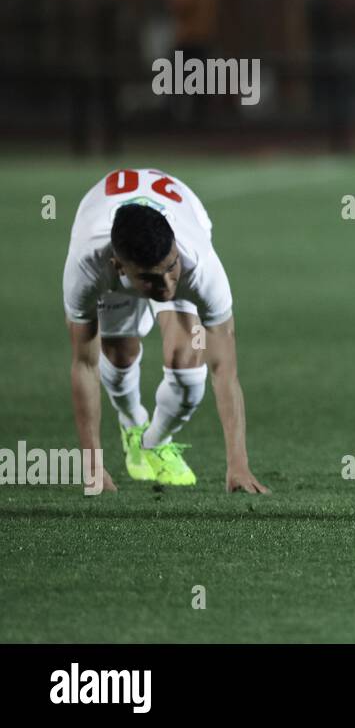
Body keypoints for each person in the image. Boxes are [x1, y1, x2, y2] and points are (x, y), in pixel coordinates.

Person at [63, 168, 268, 494]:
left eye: (171, 268)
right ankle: (131, 421)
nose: (168, 284)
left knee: (188, 367)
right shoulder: (88, 268)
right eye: (152, 279)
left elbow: (224, 368)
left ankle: (153, 441)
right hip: (108, 247)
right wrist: (93, 468)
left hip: (180, 217)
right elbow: (84, 364)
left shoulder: (198, 267)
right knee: (119, 354)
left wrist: (238, 464)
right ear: (119, 266)